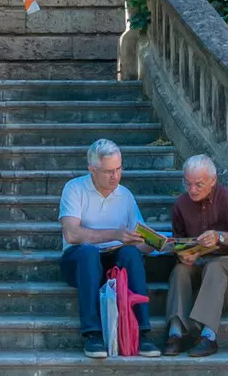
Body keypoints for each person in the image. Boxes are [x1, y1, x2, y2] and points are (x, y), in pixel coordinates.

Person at [58, 138, 159, 358]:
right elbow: (72, 233)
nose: (115, 176)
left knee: (131, 253)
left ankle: (142, 332)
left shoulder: (126, 196)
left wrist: (154, 243)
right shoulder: (75, 189)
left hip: (114, 262)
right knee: (88, 252)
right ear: (92, 170)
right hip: (79, 262)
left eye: (119, 169)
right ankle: (92, 334)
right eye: (108, 171)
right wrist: (115, 234)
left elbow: (138, 239)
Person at [162, 155, 228, 358]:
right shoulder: (181, 204)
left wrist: (219, 237)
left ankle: (208, 336)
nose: (192, 189)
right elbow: (179, 240)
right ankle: (175, 332)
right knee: (180, 271)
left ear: (213, 180)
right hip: (198, 261)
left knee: (215, 267)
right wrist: (183, 254)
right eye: (188, 183)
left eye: (199, 184)